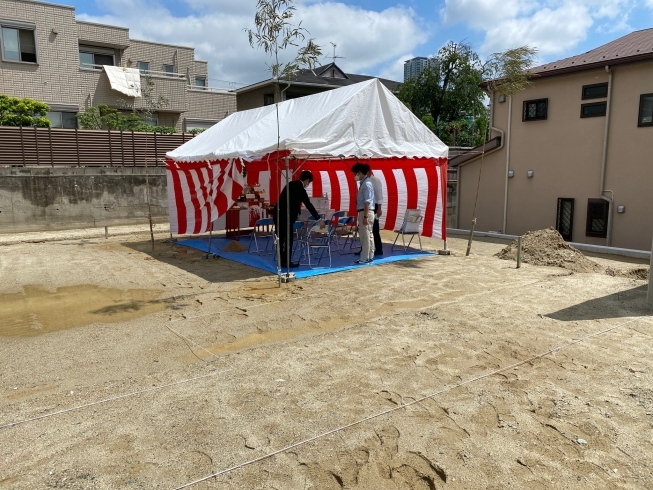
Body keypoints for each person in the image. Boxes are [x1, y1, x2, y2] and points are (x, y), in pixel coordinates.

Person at [274, 170, 325, 268]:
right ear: (306, 180)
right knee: (289, 239)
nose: (308, 184)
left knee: (280, 239)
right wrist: (319, 219)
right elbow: (309, 205)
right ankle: (287, 262)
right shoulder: (300, 189)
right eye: (309, 182)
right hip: (286, 216)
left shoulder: (290, 184)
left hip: (278, 213)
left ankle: (281, 260)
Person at [351, 162, 375, 264]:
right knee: (369, 234)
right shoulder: (365, 183)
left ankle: (364, 258)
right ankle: (369, 256)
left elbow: (367, 202)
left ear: (360, 173)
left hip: (365, 212)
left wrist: (365, 216)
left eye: (355, 174)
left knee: (365, 236)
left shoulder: (366, 184)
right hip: (366, 212)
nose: (354, 176)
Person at [368, 169, 384, 256]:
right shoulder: (364, 181)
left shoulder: (376, 181)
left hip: (374, 206)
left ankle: (379, 249)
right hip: (367, 207)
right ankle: (365, 249)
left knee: (374, 229)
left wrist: (379, 209)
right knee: (365, 230)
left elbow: (379, 196)